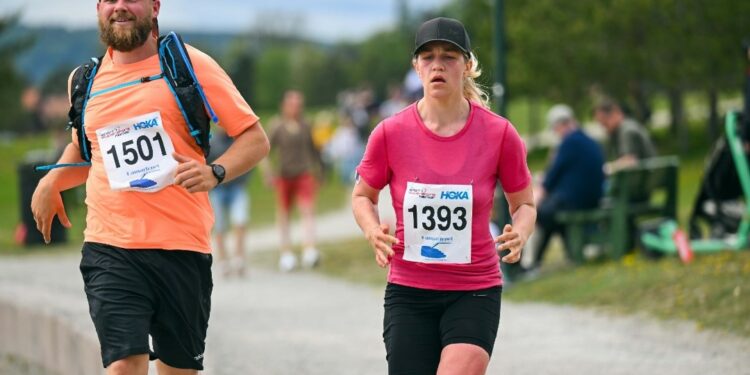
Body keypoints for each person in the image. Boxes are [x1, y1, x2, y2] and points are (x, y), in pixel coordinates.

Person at [30, 1, 270, 374]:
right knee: (124, 365)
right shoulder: (84, 80)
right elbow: (85, 150)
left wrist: (215, 172)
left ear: (155, 6)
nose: (120, 7)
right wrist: (51, 181)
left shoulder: (188, 65)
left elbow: (255, 139)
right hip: (110, 247)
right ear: (98, 8)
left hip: (181, 246)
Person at [352, 17, 536, 375]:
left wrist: (521, 232)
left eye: (449, 56)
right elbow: (363, 196)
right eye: (428, 56)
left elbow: (524, 203)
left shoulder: (499, 134)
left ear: (467, 66)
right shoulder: (389, 133)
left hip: (475, 288)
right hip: (409, 291)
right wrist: (372, 230)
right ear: (416, 67)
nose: (438, 64)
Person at [529, 104, 605, 269]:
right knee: (551, 216)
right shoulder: (589, 140)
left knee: (542, 214)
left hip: (575, 201)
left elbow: (551, 179)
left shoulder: (569, 143)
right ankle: (563, 255)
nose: (556, 133)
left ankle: (534, 263)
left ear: (560, 125)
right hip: (592, 198)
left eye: (555, 129)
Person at [265, 90, 322, 272]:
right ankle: (286, 253)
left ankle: (309, 249)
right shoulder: (277, 125)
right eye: (292, 104)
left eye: (299, 104)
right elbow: (265, 151)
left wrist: (320, 171)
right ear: (284, 106)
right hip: (284, 175)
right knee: (284, 214)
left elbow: (314, 150)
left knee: (308, 211)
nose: (296, 108)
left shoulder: (306, 125)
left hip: (304, 173)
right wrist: (268, 173)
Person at [208, 128, 252, 277]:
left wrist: (244, 180)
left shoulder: (238, 140)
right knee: (220, 225)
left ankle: (239, 258)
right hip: (218, 189)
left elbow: (248, 159)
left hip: (237, 187)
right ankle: (224, 261)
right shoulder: (212, 142)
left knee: (240, 222)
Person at [593, 98, 657, 174]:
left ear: (615, 114)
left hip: (642, 178)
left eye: (605, 123)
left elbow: (629, 161)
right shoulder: (628, 126)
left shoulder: (626, 131)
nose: (604, 128)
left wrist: (606, 168)